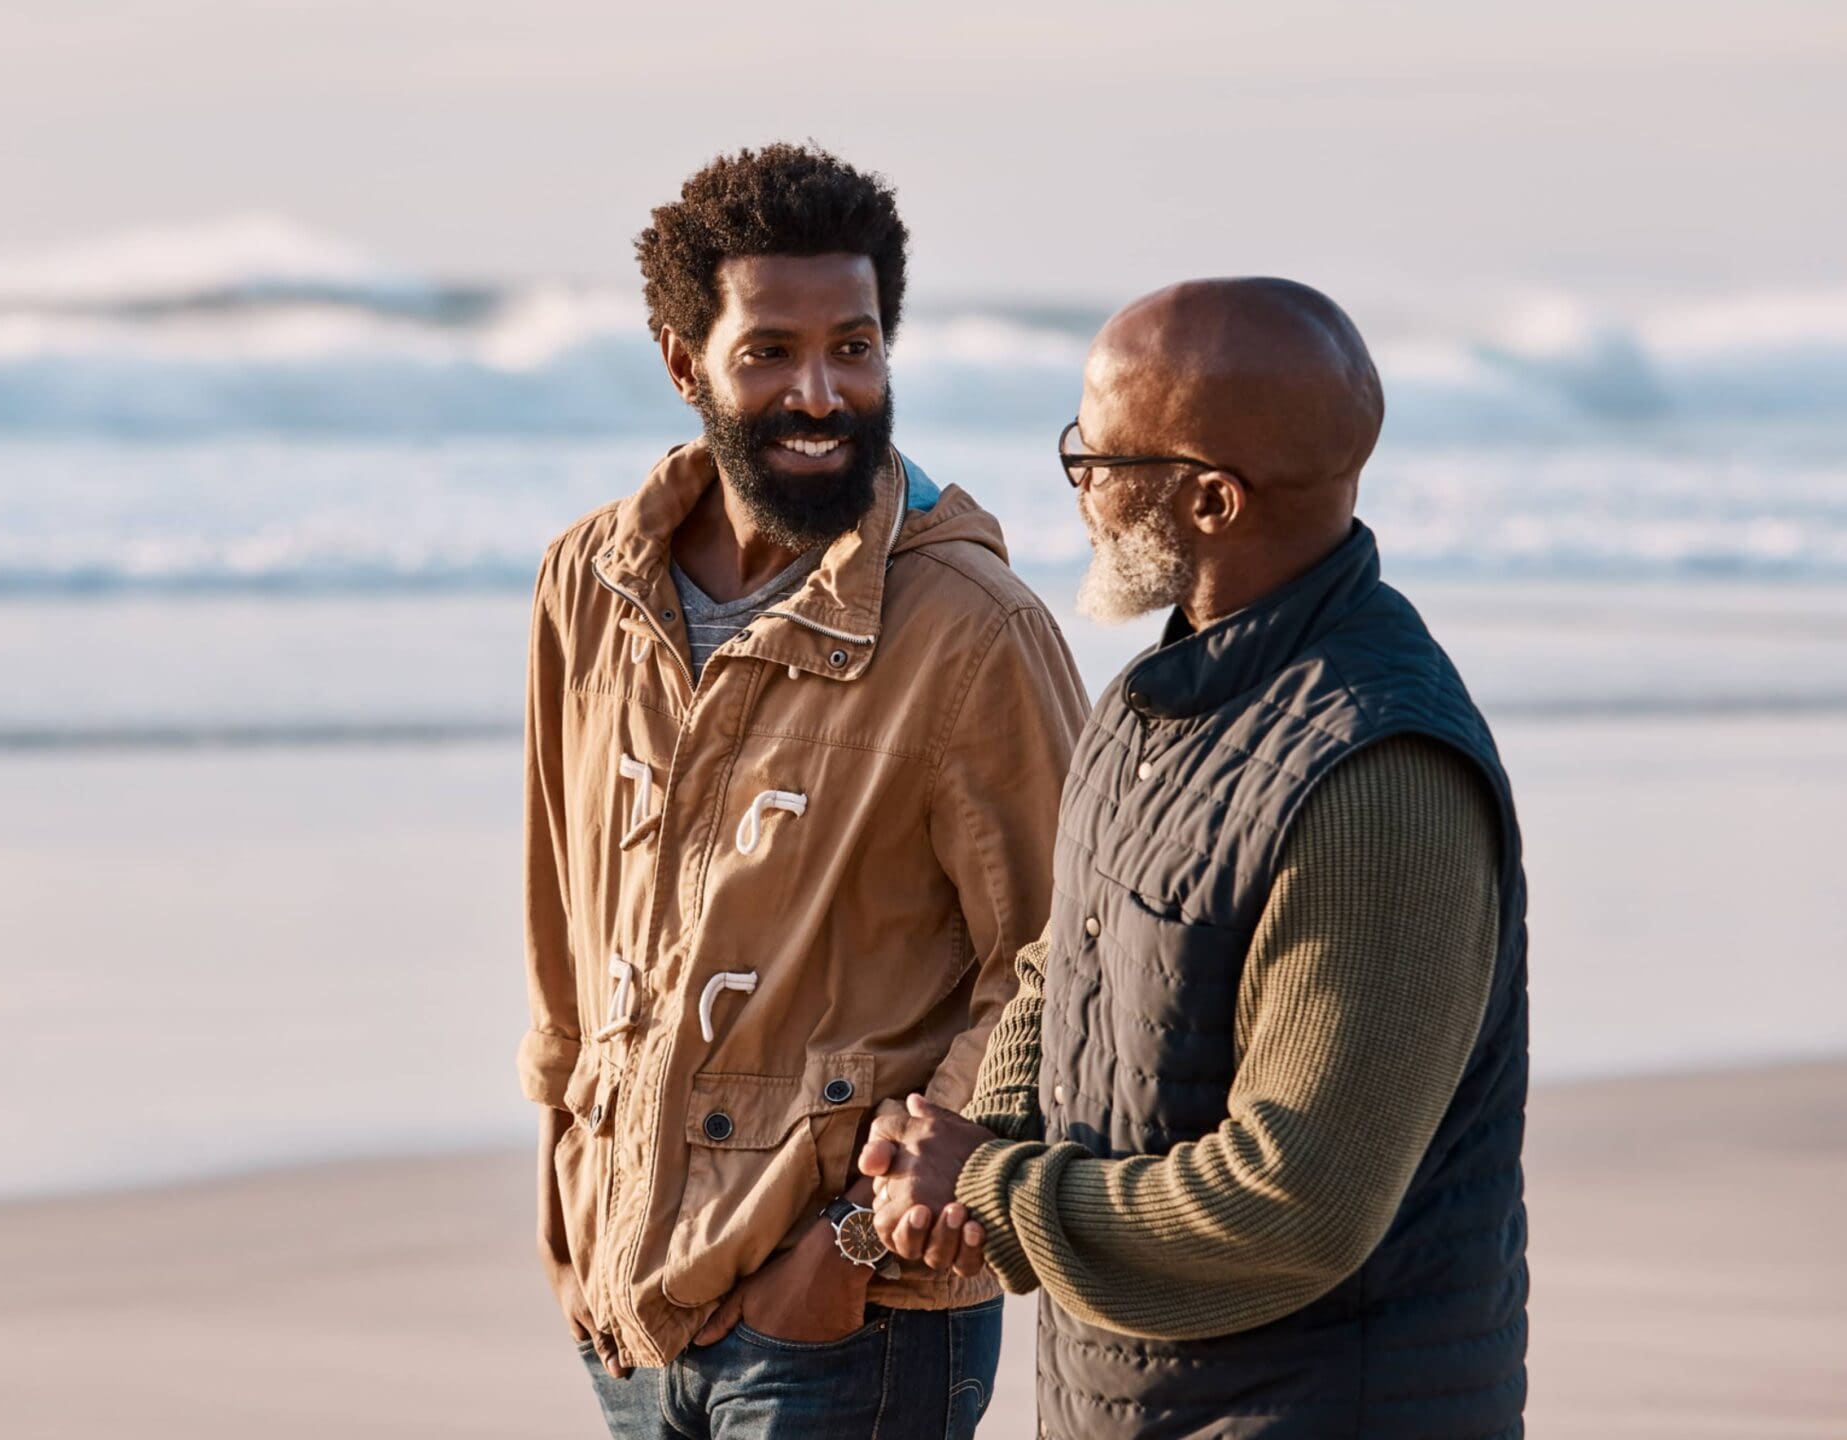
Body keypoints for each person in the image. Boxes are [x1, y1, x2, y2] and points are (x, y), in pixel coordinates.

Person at [860, 278, 1532, 1438]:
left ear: (1211, 499)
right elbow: (1064, 966)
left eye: (1100, 460)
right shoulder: (1149, 703)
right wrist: (982, 1132)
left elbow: (1294, 1205)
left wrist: (986, 1187)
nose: (1078, 491)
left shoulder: (1378, 778)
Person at [517, 143, 1087, 1438]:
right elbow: (566, 907)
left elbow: (1069, 966)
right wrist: (564, 1191)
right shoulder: (587, 587)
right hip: (630, 1291)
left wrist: (843, 1252)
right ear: (683, 362)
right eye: (769, 351)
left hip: (843, 1323)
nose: (821, 392)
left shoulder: (970, 629)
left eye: (857, 346)